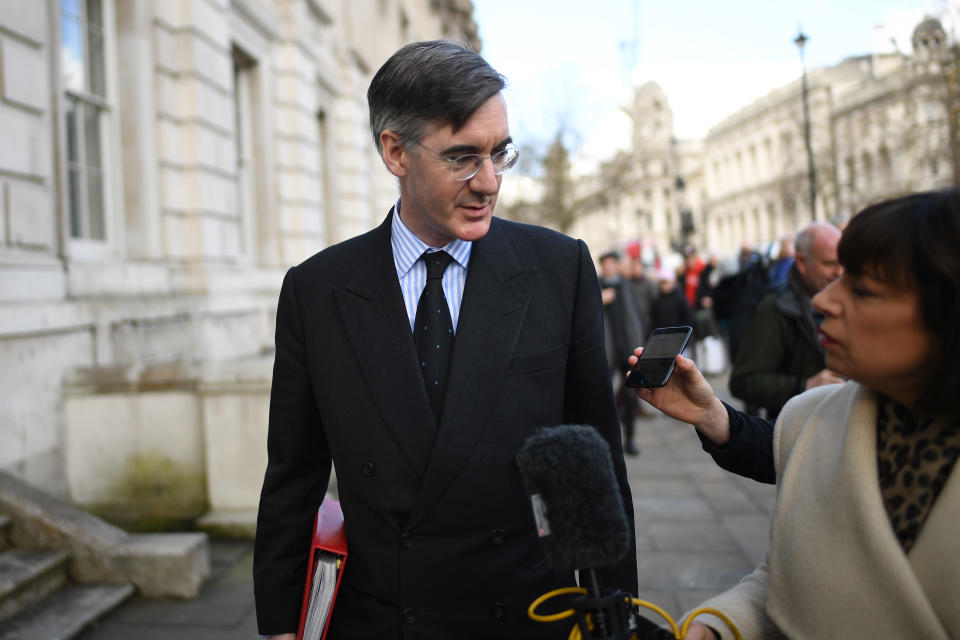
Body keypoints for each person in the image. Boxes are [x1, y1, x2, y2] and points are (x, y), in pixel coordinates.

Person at [253, 41, 638, 640]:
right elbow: (293, 477)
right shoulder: (316, 290)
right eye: (462, 158)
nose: (489, 182)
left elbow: (599, 466)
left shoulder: (559, 269)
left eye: (499, 153)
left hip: (527, 616)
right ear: (395, 152)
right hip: (384, 618)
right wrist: (280, 625)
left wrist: (618, 616)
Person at [630, 189, 960, 639]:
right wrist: (723, 624)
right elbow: (796, 579)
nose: (825, 301)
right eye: (835, 273)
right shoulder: (814, 416)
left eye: (862, 288)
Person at [728, 222, 845, 419]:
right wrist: (804, 386)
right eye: (830, 263)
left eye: (844, 262)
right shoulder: (774, 308)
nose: (840, 272)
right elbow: (743, 381)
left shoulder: (851, 299)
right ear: (801, 262)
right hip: (799, 433)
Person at [598, 251, 645, 455]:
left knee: (631, 397)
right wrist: (599, 300)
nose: (609, 267)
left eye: (612, 263)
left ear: (617, 265)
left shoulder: (626, 285)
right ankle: (607, 442)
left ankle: (630, 439)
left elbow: (637, 315)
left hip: (628, 349)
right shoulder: (595, 285)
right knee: (604, 398)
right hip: (605, 351)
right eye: (605, 264)